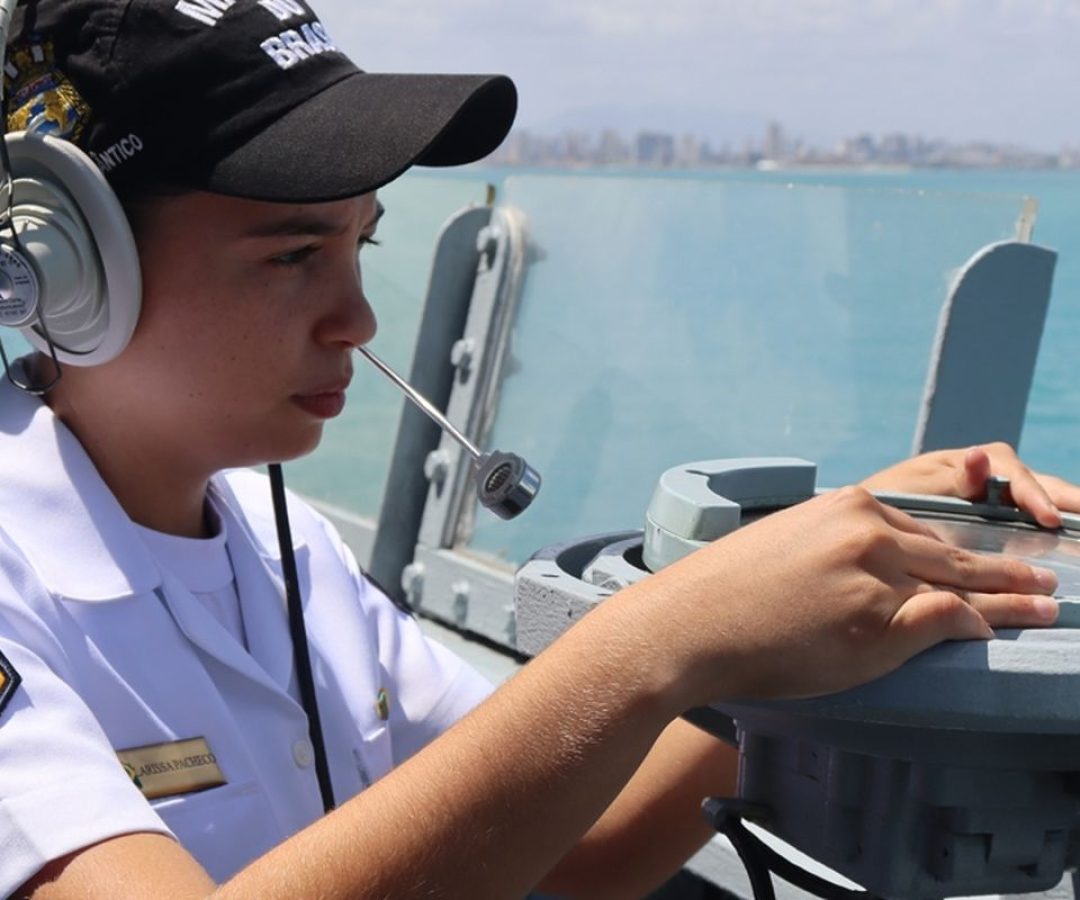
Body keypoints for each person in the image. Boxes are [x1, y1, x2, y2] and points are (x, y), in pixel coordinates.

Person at [0, 2, 1074, 898]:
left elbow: (574, 849)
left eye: (361, 242)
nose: (358, 321)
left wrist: (811, 602)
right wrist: (667, 639)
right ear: (60, 262)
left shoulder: (280, 550)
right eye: (291, 255)